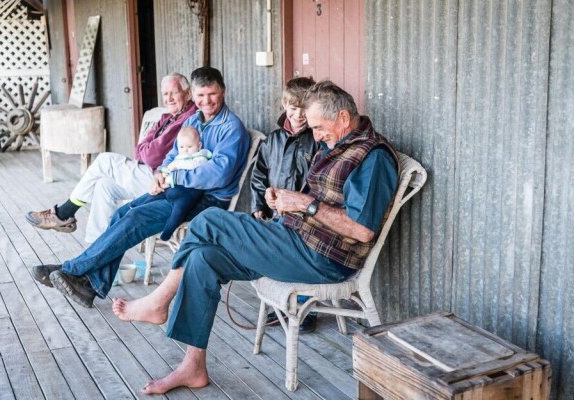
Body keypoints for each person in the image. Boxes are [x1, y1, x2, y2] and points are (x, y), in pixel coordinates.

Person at [111, 81, 399, 394]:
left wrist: (305, 204)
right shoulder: (338, 143)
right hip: (291, 238)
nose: (315, 136)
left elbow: (363, 229)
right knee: (202, 258)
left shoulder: (373, 158)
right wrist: (287, 201)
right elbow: (324, 199)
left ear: (344, 118)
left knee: (209, 220)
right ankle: (192, 366)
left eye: (319, 128)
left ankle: (157, 302)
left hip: (321, 258)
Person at [31, 66, 250, 309]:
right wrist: (160, 175)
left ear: (223, 91)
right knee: (122, 213)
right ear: (194, 95)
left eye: (212, 94)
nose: (206, 101)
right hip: (174, 190)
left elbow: (218, 174)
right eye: (201, 95)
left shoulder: (232, 128)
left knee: (136, 217)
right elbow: (172, 155)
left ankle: (71, 269)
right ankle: (91, 285)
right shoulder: (192, 120)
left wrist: (174, 177)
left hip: (206, 201)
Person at [25, 73, 197, 243]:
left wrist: (147, 150)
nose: (169, 98)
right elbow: (139, 150)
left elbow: (151, 157)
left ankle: (64, 213)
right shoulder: (167, 117)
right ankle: (96, 250)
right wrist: (146, 150)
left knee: (104, 160)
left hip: (164, 183)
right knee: (103, 186)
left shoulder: (188, 118)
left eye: (174, 92)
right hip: (149, 175)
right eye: (165, 94)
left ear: (187, 93)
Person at [250, 76, 320, 332]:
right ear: (284, 105)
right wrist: (259, 202)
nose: (299, 115)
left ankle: (305, 309)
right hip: (274, 211)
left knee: (296, 256)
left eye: (304, 109)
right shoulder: (274, 139)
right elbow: (259, 173)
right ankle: (279, 304)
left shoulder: (317, 140)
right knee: (270, 254)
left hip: (303, 216)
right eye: (293, 108)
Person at [142, 126, 212, 241]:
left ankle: (168, 231)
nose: (185, 150)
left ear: (199, 146)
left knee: (180, 210)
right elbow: (169, 166)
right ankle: (143, 205)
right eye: (182, 147)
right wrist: (164, 173)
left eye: (190, 146)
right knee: (155, 195)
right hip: (171, 188)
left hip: (188, 192)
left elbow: (192, 165)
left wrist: (176, 166)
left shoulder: (201, 157)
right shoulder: (179, 157)